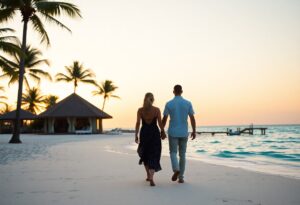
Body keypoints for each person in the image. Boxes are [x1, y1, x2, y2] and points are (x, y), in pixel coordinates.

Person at [162, 85, 196, 183]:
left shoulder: (169, 104)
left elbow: (164, 119)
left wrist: (162, 131)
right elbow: (192, 118)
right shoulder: (188, 103)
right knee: (182, 154)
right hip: (184, 132)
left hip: (173, 131)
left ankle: (176, 169)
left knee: (173, 152)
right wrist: (194, 130)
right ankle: (181, 177)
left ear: (173, 91)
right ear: (182, 91)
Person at [135, 92, 166, 186]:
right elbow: (160, 123)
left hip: (144, 133)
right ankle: (152, 176)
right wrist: (163, 131)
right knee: (154, 154)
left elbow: (137, 123)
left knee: (145, 153)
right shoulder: (156, 110)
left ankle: (148, 175)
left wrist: (136, 135)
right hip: (154, 133)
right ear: (153, 100)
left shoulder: (140, 110)